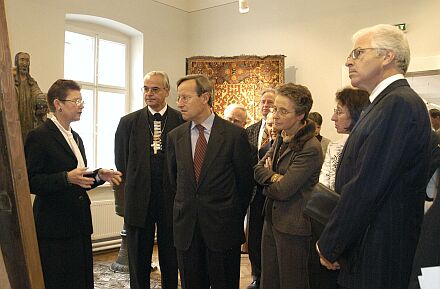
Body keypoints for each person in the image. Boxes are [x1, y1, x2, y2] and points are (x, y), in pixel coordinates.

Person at [317, 24, 432, 289]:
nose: (348, 61)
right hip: (369, 244)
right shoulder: (382, 104)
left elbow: (367, 185)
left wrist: (331, 243)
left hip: (379, 250)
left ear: (387, 56)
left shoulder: (398, 104)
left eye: (357, 53)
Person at [24, 79, 122, 289]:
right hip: (54, 226)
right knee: (59, 279)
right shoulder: (39, 137)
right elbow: (31, 181)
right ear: (58, 104)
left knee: (80, 278)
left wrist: (99, 176)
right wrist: (66, 178)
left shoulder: (75, 137)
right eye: (75, 100)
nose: (81, 105)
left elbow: (79, 179)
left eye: (81, 100)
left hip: (78, 222)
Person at [167, 74, 253, 289]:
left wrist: (230, 215)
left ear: (205, 97)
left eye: (185, 98)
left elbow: (245, 184)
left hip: (223, 230)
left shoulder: (234, 135)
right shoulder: (175, 137)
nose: (179, 104)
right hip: (186, 230)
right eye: (178, 98)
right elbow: (172, 181)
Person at [114, 71, 183, 289]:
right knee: (138, 256)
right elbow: (121, 162)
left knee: (171, 255)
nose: (149, 93)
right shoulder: (128, 122)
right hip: (139, 200)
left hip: (171, 200)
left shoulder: (181, 121)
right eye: (145, 88)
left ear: (167, 92)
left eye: (155, 89)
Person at [254, 83, 324, 289]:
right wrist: (274, 177)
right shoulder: (281, 137)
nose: (275, 115)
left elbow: (283, 190)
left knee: (292, 282)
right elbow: (257, 169)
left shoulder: (310, 147)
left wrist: (271, 180)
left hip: (294, 226)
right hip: (272, 220)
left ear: (301, 115)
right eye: (275, 108)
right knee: (270, 281)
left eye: (283, 111)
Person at [309, 88, 369, 289]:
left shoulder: (364, 148)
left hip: (348, 236)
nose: (333, 117)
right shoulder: (336, 145)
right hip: (327, 228)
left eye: (339, 111)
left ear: (358, 112)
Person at [245, 87, 275, 289]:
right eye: (263, 102)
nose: (266, 106)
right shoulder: (250, 130)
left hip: (274, 194)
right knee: (254, 237)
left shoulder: (282, 133)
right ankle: (256, 275)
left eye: (270, 102)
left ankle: (271, 277)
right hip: (254, 193)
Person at [318, 88, 370, 190]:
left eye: (339, 112)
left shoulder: (369, 146)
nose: (333, 117)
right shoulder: (334, 146)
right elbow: (323, 186)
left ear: (356, 114)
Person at [14, 52, 48, 139]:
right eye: (22, 60)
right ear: (16, 62)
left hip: (29, 118)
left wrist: (41, 99)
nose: (25, 63)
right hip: (14, 117)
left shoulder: (31, 82)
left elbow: (37, 92)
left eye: (27, 60)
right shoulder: (11, 80)